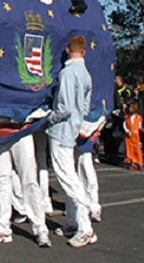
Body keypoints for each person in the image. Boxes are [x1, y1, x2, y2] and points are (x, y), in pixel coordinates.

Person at [46, 35, 96, 248]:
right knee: (71, 176)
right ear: (83, 52)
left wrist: (50, 117)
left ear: (67, 50)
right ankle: (72, 222)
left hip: (61, 130)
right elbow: (84, 107)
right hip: (74, 129)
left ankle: (85, 227)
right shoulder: (86, 75)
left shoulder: (67, 73)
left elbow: (64, 107)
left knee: (68, 178)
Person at [123, 100, 144, 171]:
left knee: (137, 149)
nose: (129, 109)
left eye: (131, 108)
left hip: (136, 136)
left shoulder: (138, 117)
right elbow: (124, 125)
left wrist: (141, 130)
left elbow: (140, 126)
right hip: (129, 136)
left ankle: (140, 162)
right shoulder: (127, 117)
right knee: (130, 149)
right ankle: (133, 163)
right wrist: (127, 131)